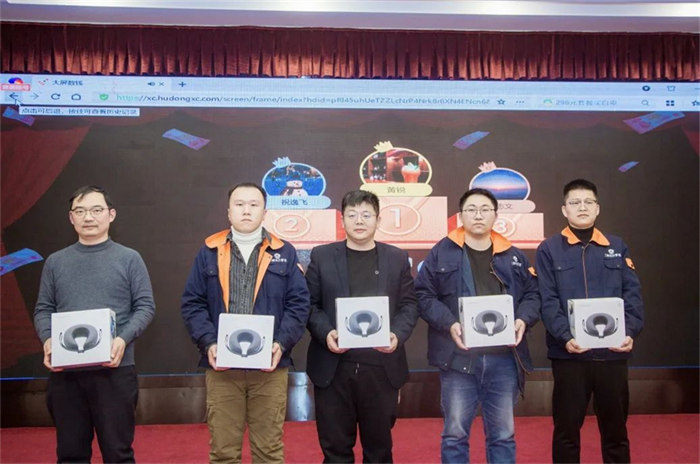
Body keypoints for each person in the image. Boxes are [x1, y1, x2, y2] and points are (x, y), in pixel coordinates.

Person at [181, 182, 310, 464]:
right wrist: (209, 343)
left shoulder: (285, 252)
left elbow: (299, 305)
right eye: (239, 205)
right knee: (223, 453)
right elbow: (192, 303)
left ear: (265, 212)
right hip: (222, 369)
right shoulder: (209, 251)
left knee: (269, 452)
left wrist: (281, 344)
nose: (246, 210)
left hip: (270, 368)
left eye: (254, 205)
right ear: (229, 212)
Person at [415, 187, 540, 464]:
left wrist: (523, 319)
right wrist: (449, 324)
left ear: (496, 215)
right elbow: (423, 295)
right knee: (455, 434)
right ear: (461, 216)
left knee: (503, 435)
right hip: (458, 357)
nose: (478, 215)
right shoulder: (441, 252)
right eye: (471, 210)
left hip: (504, 358)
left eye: (485, 209)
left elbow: (533, 295)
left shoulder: (513, 255)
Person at [33, 185, 156, 463]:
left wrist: (122, 339)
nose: (88, 217)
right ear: (71, 218)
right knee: (70, 454)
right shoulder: (55, 262)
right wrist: (48, 340)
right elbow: (43, 309)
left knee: (118, 454)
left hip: (114, 371)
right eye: (80, 211)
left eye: (96, 210)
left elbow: (145, 307)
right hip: (66, 374)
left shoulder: (129, 258)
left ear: (111, 215)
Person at [305, 190, 419, 463]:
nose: (359, 221)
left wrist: (396, 335)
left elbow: (409, 305)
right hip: (333, 368)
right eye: (352, 214)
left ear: (378, 220)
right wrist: (326, 333)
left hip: (381, 368)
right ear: (342, 220)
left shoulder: (396, 258)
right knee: (335, 451)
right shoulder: (322, 256)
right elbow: (309, 305)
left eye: (366, 215)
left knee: (379, 452)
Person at [535, 179, 643, 463]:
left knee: (616, 431)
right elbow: (547, 300)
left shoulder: (617, 246)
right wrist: (565, 337)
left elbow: (632, 296)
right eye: (575, 202)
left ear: (597, 208)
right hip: (569, 356)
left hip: (613, 353)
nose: (582, 207)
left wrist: (630, 331)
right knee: (566, 432)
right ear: (564, 209)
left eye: (588, 202)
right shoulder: (549, 249)